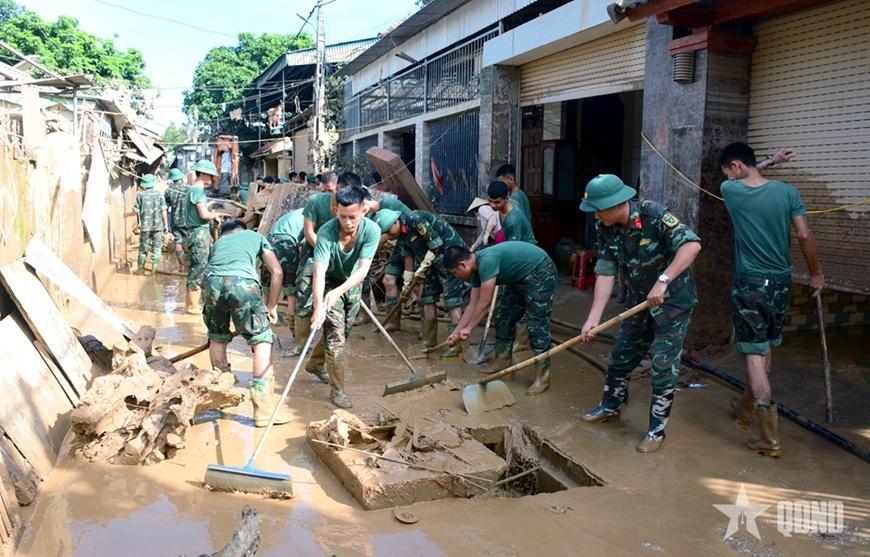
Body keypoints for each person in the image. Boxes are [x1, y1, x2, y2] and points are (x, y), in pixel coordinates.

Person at [578, 174, 702, 454]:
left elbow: (691, 245)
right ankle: (610, 405)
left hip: (672, 301)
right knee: (622, 353)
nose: (596, 215)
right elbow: (606, 271)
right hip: (638, 298)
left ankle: (656, 430)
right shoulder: (605, 227)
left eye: (599, 209)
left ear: (617, 203)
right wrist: (593, 318)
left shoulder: (653, 215)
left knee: (662, 363)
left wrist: (664, 279)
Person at [719, 142, 822, 458]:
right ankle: (746, 407)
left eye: (728, 171)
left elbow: (743, 178)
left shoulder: (730, 191)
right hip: (781, 281)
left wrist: (768, 161)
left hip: (750, 281)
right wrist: (816, 274)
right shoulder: (788, 192)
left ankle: (769, 439)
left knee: (753, 352)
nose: (728, 178)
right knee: (766, 345)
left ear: (735, 166)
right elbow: (804, 236)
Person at [201, 219, 289, 427]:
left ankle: (222, 394)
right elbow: (277, 272)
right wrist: (272, 306)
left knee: (217, 336)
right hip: (242, 283)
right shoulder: (256, 236)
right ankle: (263, 410)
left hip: (211, 283)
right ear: (243, 230)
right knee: (261, 340)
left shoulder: (218, 243)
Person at [444, 243, 556, 395]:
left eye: (455, 273)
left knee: (537, 326)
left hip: (539, 271)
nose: (456, 276)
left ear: (462, 265)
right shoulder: (475, 270)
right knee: (504, 318)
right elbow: (473, 305)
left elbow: (485, 303)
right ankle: (502, 363)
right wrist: (457, 332)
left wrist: (469, 329)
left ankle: (543, 378)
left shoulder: (487, 261)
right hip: (517, 277)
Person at [310, 182, 380, 408]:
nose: (348, 223)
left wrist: (341, 291)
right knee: (336, 339)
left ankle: (316, 362)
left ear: (363, 210)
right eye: (343, 217)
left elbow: (363, 270)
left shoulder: (372, 230)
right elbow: (319, 270)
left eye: (353, 217)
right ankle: (338, 390)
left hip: (353, 284)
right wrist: (319, 305)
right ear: (335, 212)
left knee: (342, 332)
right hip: (330, 281)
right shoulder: (326, 232)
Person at [374, 208, 467, 358]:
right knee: (426, 299)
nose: (389, 235)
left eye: (389, 230)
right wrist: (407, 283)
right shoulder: (401, 235)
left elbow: (436, 245)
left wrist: (422, 267)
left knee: (452, 302)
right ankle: (429, 342)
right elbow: (409, 257)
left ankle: (455, 346)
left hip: (450, 258)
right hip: (430, 263)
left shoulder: (415, 219)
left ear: (396, 221)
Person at [293, 186, 337, 370]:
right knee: (304, 295)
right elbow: (308, 231)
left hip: (339, 256)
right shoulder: (316, 202)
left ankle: (320, 359)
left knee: (335, 307)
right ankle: (301, 344)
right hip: (314, 253)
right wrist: (323, 251)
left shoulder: (354, 207)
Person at [361, 192, 414, 328]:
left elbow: (408, 229)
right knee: (388, 280)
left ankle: (428, 333)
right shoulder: (372, 218)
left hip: (414, 246)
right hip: (399, 247)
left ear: (368, 200)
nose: (362, 211)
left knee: (417, 286)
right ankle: (393, 322)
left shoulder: (390, 203)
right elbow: (382, 238)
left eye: (362, 206)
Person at [262, 208, 306, 354]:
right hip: (286, 244)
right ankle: (296, 336)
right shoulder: (314, 214)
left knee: (266, 288)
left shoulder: (296, 213)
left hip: (269, 242)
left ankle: (260, 331)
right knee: (291, 293)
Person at [183, 160, 223, 314]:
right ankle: (192, 306)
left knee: (197, 269)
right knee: (198, 270)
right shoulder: (197, 190)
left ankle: (193, 304)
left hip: (196, 232)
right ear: (204, 174)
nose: (212, 180)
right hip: (199, 233)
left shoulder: (193, 190)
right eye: (211, 177)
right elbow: (204, 214)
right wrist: (216, 215)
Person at [132, 173, 169, 274]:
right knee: (156, 250)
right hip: (158, 227)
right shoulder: (159, 194)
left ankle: (140, 270)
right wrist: (166, 225)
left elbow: (135, 211)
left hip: (145, 228)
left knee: (143, 249)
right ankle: (153, 272)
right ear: (153, 184)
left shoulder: (140, 195)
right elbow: (164, 211)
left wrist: (126, 215)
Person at [163, 168, 189, 266]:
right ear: (181, 178)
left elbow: (165, 207)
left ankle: (181, 264)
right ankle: (189, 263)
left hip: (175, 220)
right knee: (189, 239)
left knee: (178, 241)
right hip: (188, 219)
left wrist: (165, 224)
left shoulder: (168, 190)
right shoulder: (188, 188)